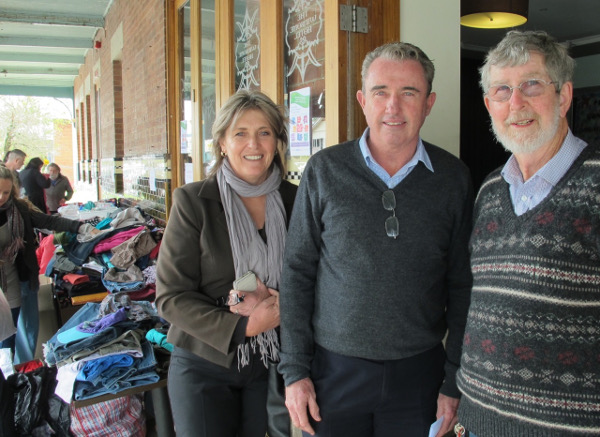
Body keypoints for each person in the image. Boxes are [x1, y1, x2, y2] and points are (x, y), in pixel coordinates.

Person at [279, 41, 474, 437]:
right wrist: (295, 371)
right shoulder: (324, 171)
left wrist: (454, 380)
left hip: (421, 377)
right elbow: (297, 273)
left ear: (429, 102)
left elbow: (462, 284)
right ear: (362, 100)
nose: (393, 107)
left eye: (409, 93)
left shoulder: (453, 179)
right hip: (332, 376)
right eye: (380, 92)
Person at [455, 30, 600, 437]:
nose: (515, 103)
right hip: (478, 420)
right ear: (488, 105)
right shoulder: (488, 190)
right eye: (502, 90)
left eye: (531, 86)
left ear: (565, 95)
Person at [156, 90, 297, 437]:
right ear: (221, 142)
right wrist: (244, 327)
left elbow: (315, 276)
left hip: (270, 364)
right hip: (205, 363)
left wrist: (282, 305)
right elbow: (170, 297)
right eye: (240, 133)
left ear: (277, 141)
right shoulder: (193, 202)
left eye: (265, 132)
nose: (254, 143)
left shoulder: (296, 198)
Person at [0, 165, 93, 363]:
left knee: (15, 332)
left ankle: (19, 372)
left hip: (20, 280)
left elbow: (49, 222)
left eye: (6, 192)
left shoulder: (20, 209)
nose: (1, 197)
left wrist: (80, 226)